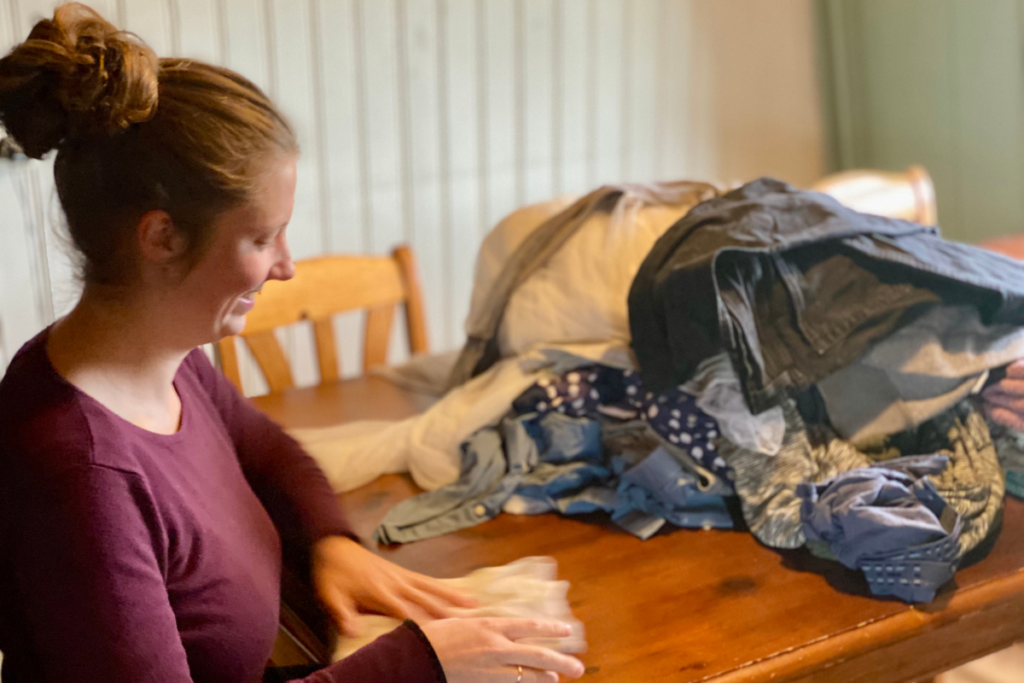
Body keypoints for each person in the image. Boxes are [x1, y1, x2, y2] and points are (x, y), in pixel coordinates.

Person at [0, 5, 585, 683]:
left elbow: (268, 449)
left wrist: (330, 540)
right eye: (261, 237)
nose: (286, 266)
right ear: (160, 237)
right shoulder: (82, 477)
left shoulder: (160, 365)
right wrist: (417, 662)